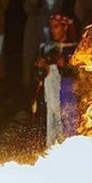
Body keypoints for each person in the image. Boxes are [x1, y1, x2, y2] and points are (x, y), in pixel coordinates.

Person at [35, 13, 79, 147]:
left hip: (67, 92)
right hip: (49, 93)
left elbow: (77, 72)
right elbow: (38, 75)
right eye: (51, 27)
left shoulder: (74, 47)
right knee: (50, 123)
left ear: (65, 28)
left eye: (56, 27)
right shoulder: (46, 47)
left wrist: (65, 64)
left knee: (67, 123)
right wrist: (40, 66)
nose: (53, 30)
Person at [23, 0, 63, 88]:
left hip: (51, 27)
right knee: (32, 52)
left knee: (50, 52)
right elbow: (27, 8)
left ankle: (50, 81)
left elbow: (59, 8)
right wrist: (38, 8)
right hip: (35, 26)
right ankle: (29, 82)